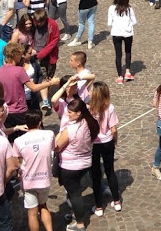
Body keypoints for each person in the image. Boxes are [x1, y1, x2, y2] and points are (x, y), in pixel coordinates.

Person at [0, 43, 59, 142]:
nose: (21, 57)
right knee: (26, 139)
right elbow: (34, 88)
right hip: (19, 110)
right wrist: (51, 82)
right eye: (20, 54)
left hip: (6, 111)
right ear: (15, 55)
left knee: (11, 140)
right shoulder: (19, 71)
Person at [55, 98, 100, 231]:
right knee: (76, 193)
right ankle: (76, 214)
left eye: (70, 112)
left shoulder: (70, 129)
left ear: (79, 113)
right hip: (85, 163)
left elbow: (57, 146)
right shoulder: (91, 124)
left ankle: (80, 223)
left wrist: (59, 133)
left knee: (74, 194)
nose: (68, 114)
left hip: (70, 167)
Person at [13, 110, 55, 231]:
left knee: (32, 212)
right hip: (45, 178)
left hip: (29, 180)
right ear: (40, 122)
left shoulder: (18, 141)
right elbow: (51, 148)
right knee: (43, 206)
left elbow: (17, 161)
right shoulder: (49, 134)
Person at [89, 81, 121, 215]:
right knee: (110, 171)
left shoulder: (88, 108)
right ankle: (117, 201)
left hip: (93, 145)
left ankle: (99, 207)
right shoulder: (110, 108)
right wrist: (115, 140)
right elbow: (113, 129)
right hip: (107, 142)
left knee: (96, 175)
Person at [107, 0, 137, 84]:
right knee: (128, 52)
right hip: (128, 33)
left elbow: (109, 22)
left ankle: (120, 76)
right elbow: (134, 21)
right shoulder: (129, 9)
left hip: (116, 33)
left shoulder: (112, 8)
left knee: (118, 54)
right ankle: (127, 71)